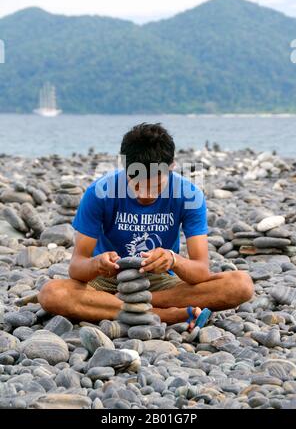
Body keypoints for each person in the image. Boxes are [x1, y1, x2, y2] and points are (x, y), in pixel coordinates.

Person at [39, 123, 253, 328]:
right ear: (124, 167)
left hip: (159, 281)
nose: (145, 195)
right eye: (137, 184)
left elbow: (201, 271)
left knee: (240, 285)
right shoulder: (99, 192)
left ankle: (115, 305)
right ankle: (162, 314)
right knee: (52, 294)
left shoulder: (189, 194)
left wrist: (173, 260)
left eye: (157, 185)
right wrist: (96, 264)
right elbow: (76, 267)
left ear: (172, 167)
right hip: (105, 280)